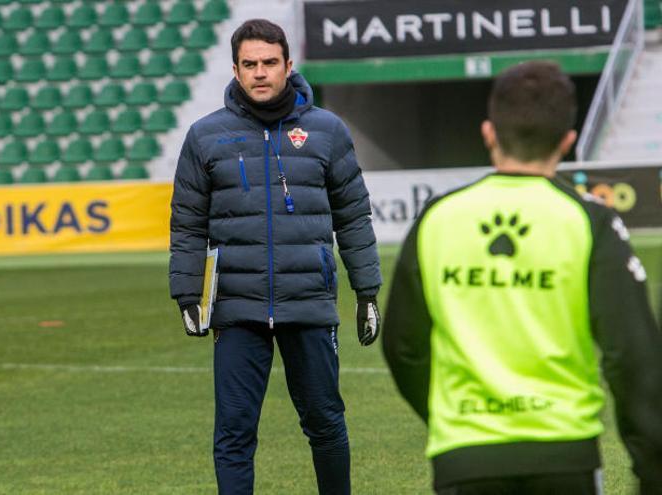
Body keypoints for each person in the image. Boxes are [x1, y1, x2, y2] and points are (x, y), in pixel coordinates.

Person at [383, 61, 662, 494]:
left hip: (466, 455)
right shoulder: (589, 222)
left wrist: (452, 418)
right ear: (568, 142)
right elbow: (633, 355)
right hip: (564, 452)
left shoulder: (439, 218)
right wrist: (652, 468)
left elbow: (404, 347)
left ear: (489, 133)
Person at [168, 19, 382, 495]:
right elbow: (187, 223)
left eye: (269, 63)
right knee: (234, 434)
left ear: (288, 65)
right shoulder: (206, 136)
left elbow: (353, 216)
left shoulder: (327, 131)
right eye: (250, 64)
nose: (260, 73)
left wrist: (367, 290)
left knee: (326, 423)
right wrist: (186, 292)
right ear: (235, 70)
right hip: (237, 307)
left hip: (308, 301)